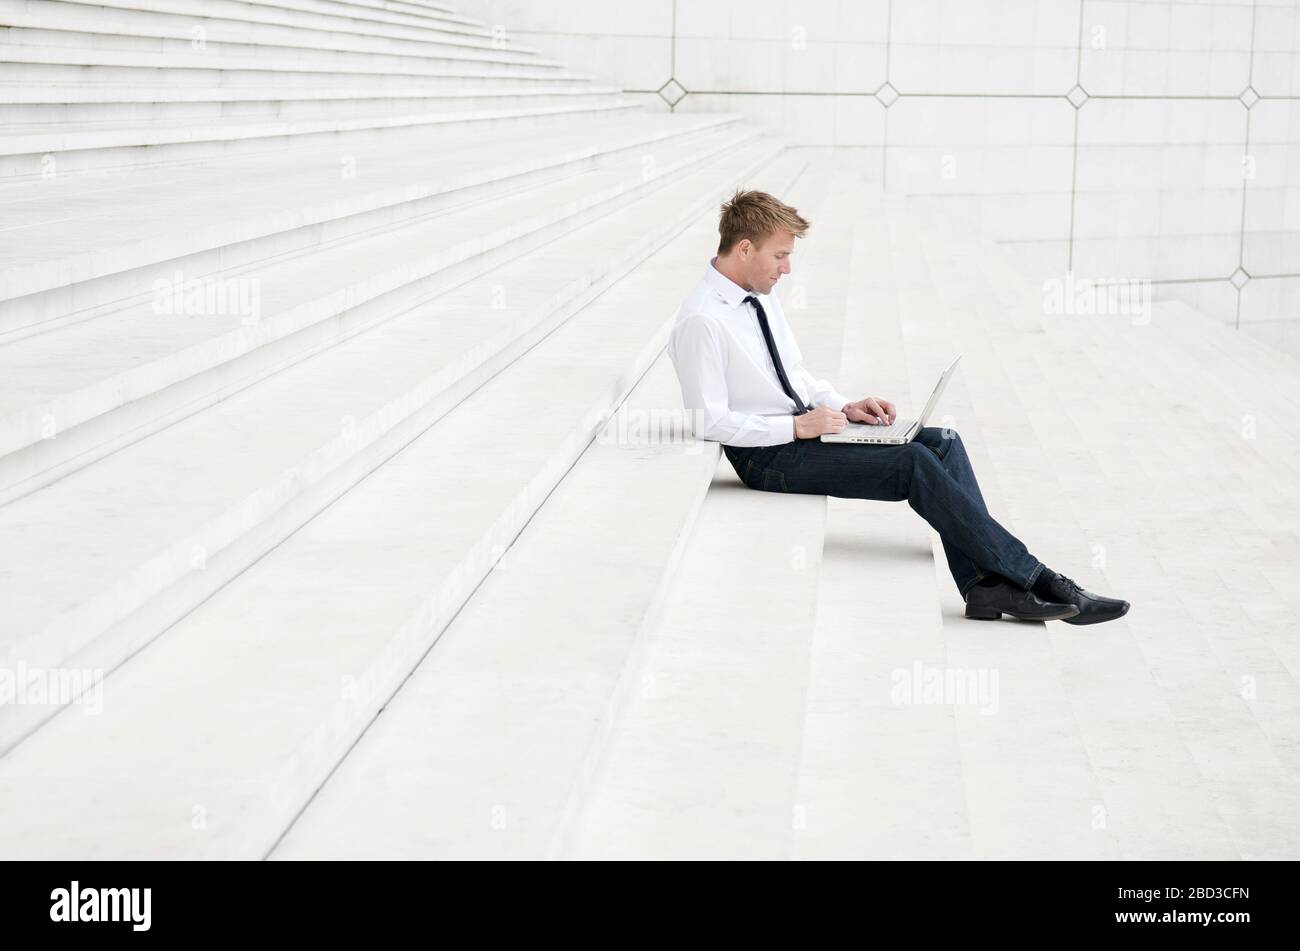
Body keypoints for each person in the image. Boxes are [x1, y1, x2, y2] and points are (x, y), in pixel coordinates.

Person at [666, 189, 1129, 624]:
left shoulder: (759, 298)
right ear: (745, 249)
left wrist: (845, 406)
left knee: (943, 442)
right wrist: (796, 429)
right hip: (767, 456)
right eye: (780, 255)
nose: (787, 269)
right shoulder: (702, 320)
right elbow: (708, 421)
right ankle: (1040, 579)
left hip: (804, 429)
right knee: (912, 462)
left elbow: (795, 374)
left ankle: (983, 586)